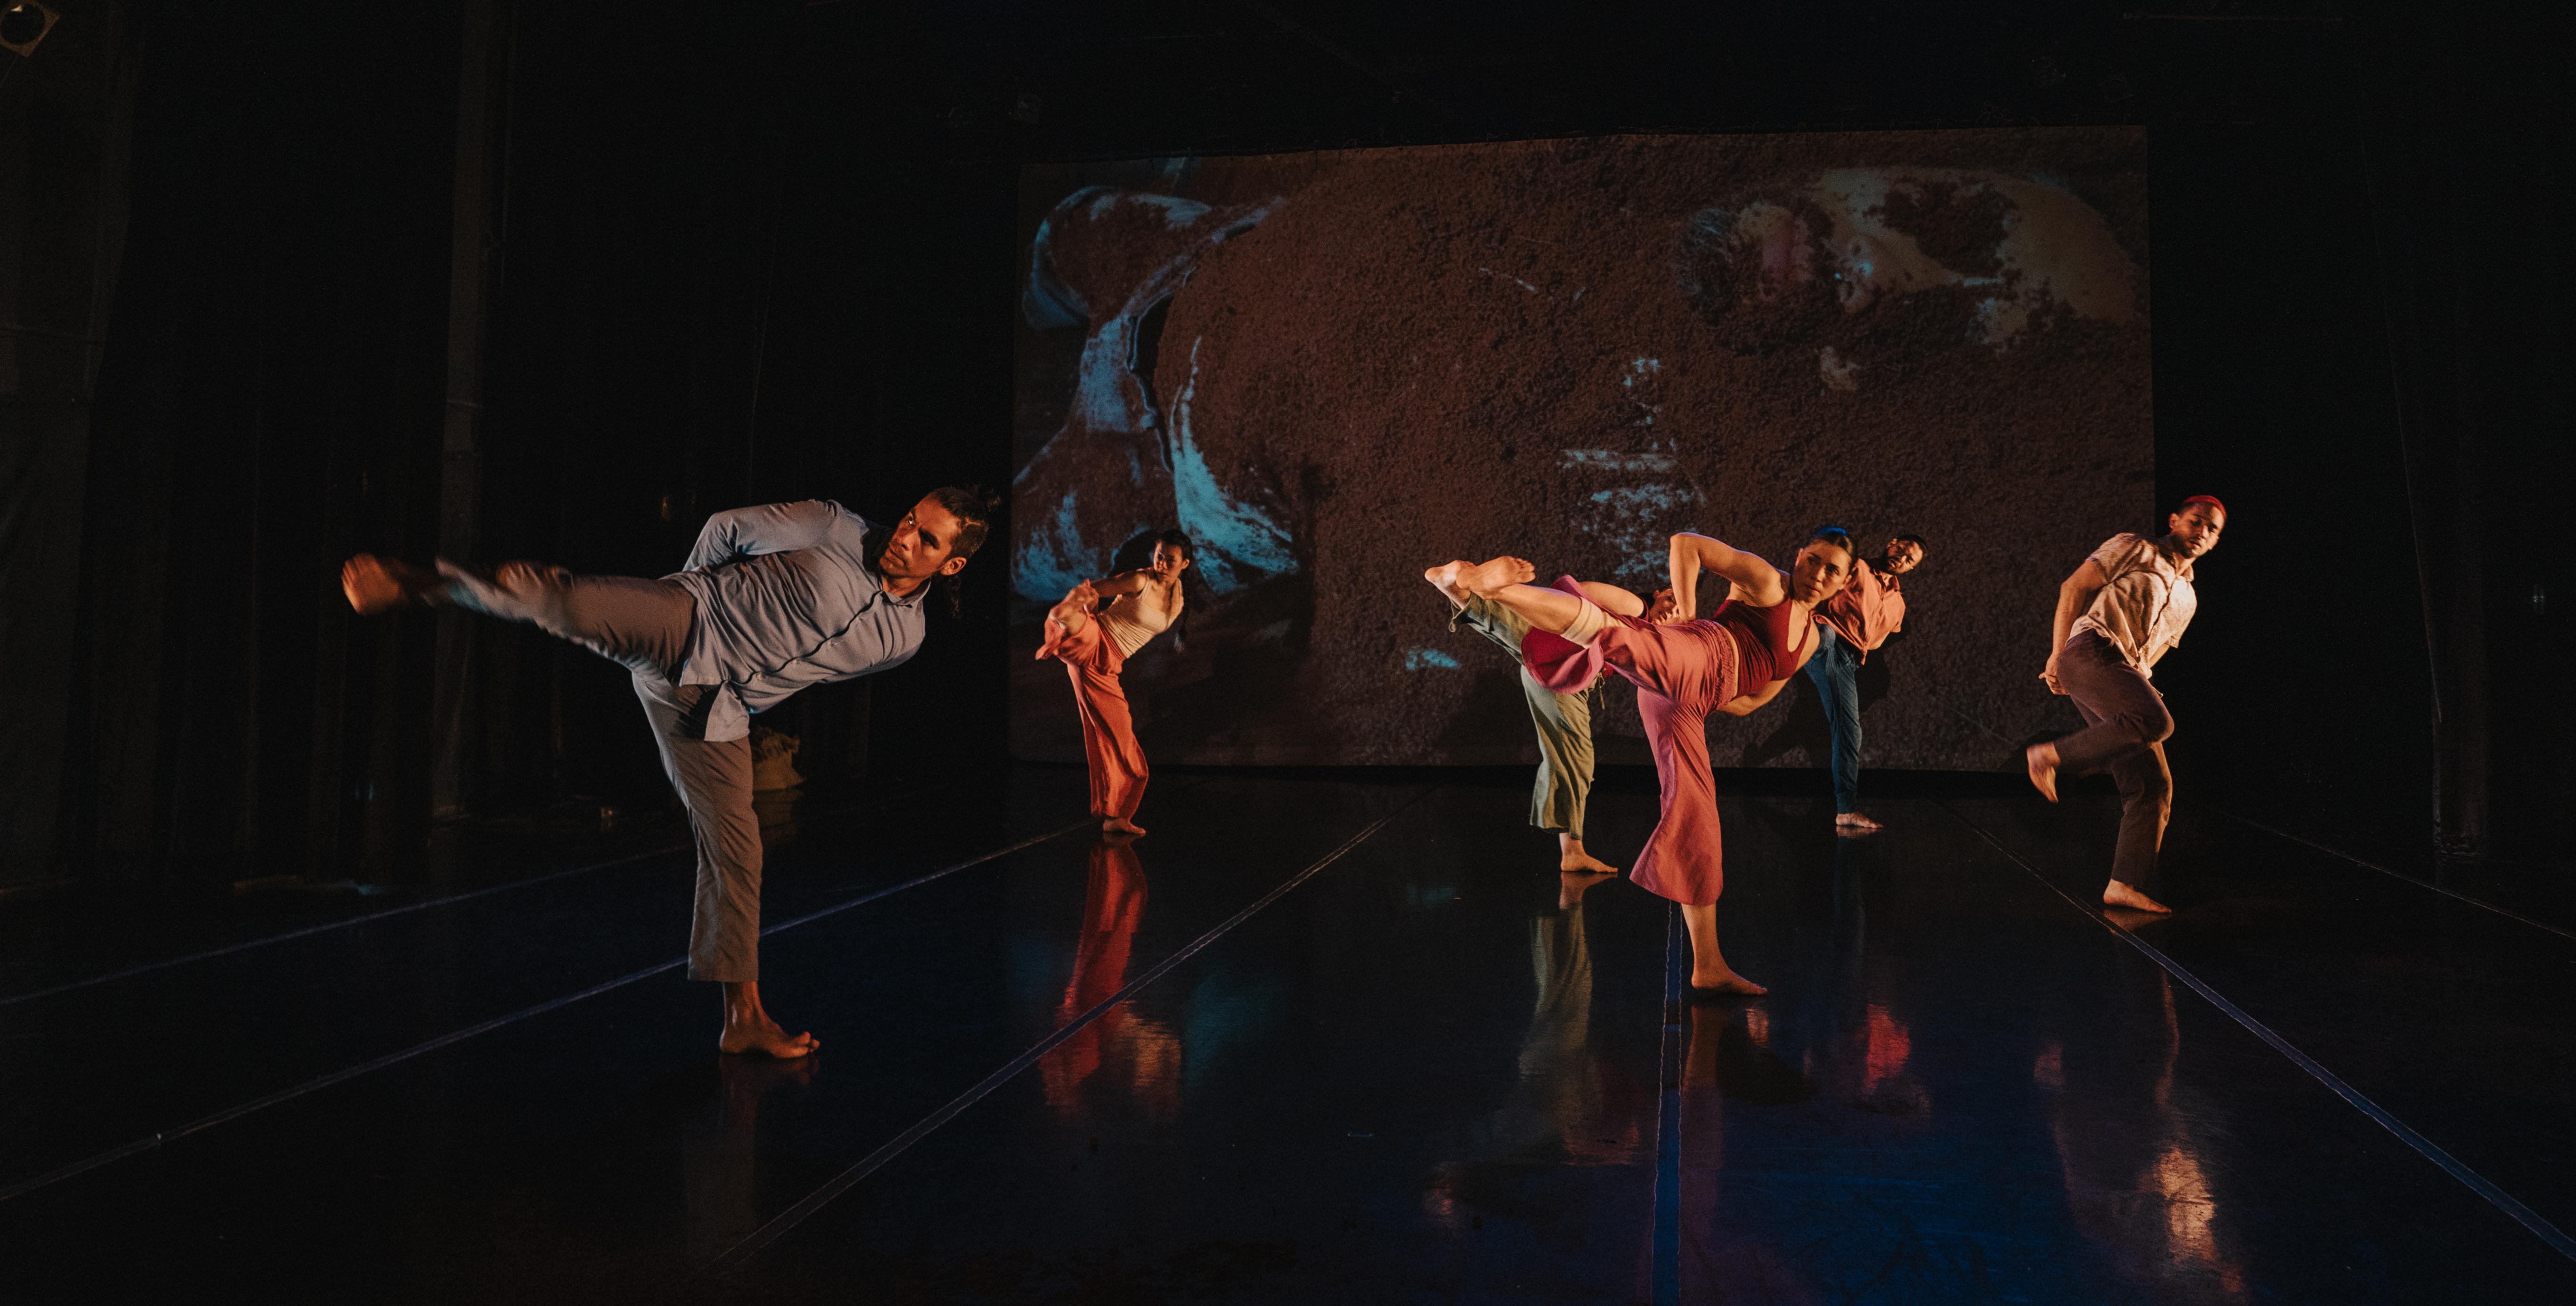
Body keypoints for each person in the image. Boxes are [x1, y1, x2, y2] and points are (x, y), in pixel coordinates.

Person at [338, 488, 998, 1057]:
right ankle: (421, 583)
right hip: (683, 625)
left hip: (716, 711)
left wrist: (746, 700)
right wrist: (690, 592)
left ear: (953, 563)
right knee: (570, 602)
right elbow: (726, 527)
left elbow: (809, 672)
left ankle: (742, 1020)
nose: (906, 536)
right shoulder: (831, 525)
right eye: (912, 519)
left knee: (737, 852)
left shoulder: (901, 642)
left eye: (928, 538)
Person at [1441, 526, 1857, 994]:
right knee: (1617, 633)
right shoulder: (1767, 581)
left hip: (1692, 699)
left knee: (1697, 815)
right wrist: (1692, 618)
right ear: (1799, 555)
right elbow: (1686, 543)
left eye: (1831, 570)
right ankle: (1494, 589)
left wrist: (1714, 694)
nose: (1818, 573)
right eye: (1813, 560)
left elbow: (1756, 698)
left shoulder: (1807, 643)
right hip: (1700, 652)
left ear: (1844, 582)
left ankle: (1709, 965)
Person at [2024, 496, 2227, 914]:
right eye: (2196, 521)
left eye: (2212, 530)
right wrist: (2057, 655)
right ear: (2175, 521)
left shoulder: (2188, 596)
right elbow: (2073, 587)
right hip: (2090, 649)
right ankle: (2049, 755)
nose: (2202, 532)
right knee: (2154, 721)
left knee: (2153, 785)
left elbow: (2150, 653)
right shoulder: (2136, 547)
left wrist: (2137, 685)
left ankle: (2124, 883)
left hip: (2123, 669)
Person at [1423, 562, 1618, 875]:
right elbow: (1585, 591)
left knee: (1569, 759)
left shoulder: (1649, 628)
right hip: (1560, 665)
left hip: (1564, 667)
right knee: (1575, 760)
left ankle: (1456, 587)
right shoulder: (1637, 608)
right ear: (1661, 593)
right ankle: (1573, 853)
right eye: (1670, 603)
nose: (1671, 613)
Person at [1037, 529, 1193, 836]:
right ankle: (1062, 621)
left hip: (1109, 666)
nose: (1161, 563)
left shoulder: (1177, 596)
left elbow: (1177, 615)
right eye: (1159, 556)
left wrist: (1181, 634)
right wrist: (1078, 603)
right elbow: (1093, 589)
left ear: (1184, 564)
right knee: (1077, 629)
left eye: (1169, 560)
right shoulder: (1139, 580)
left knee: (1120, 743)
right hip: (1098, 640)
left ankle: (1116, 816)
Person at [1804, 534, 1927, 831]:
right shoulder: (1856, 567)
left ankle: (1846, 811)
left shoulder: (1898, 604)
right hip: (1825, 635)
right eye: (1902, 550)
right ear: (1891, 543)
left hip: (1848, 657)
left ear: (1911, 569)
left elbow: (1874, 643)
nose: (1903, 558)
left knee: (1849, 732)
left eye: (1910, 559)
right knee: (1826, 637)